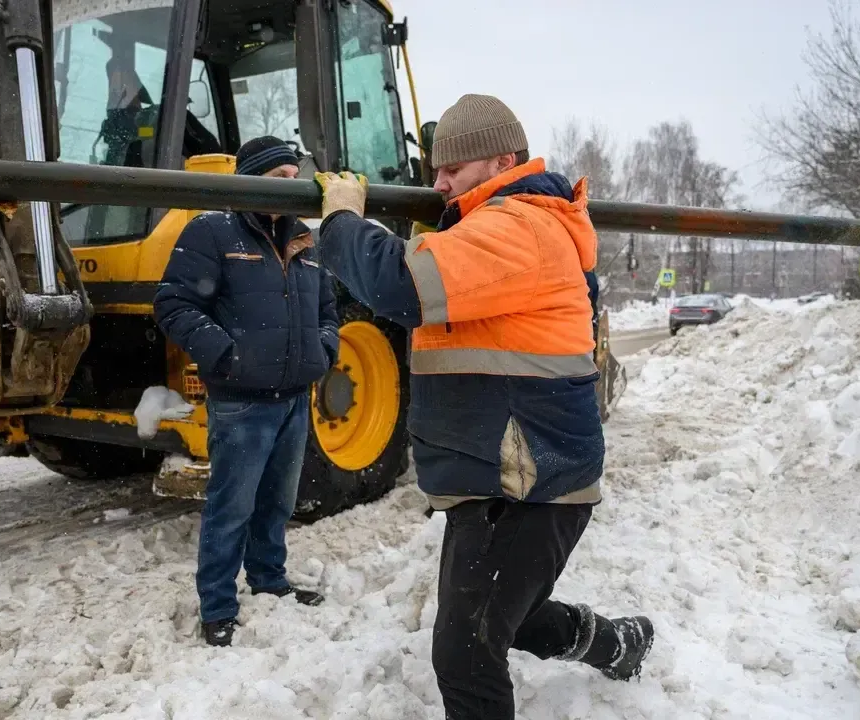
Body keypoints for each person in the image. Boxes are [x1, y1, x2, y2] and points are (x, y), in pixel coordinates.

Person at [313, 95, 653, 718]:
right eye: (436, 170)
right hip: (500, 473)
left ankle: (617, 643)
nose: (437, 183)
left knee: (467, 650)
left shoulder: (520, 226)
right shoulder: (488, 227)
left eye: (453, 170)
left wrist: (340, 223)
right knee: (505, 621)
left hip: (531, 483)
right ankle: (617, 643)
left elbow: (402, 287)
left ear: (502, 160)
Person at [154, 136, 339, 648]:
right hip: (241, 401)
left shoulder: (305, 240)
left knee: (277, 502)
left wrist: (323, 350)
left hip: (295, 398)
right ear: (252, 178)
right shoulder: (213, 231)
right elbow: (174, 304)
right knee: (231, 506)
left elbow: (328, 311)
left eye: (295, 176)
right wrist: (226, 355)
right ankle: (217, 607)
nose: (293, 187)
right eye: (280, 178)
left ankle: (270, 582)